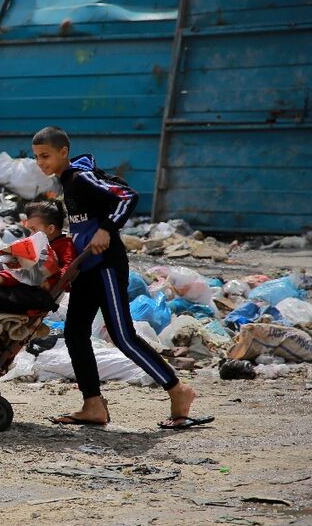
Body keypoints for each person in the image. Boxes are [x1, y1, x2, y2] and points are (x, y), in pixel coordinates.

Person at [31, 126, 213, 430]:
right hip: (87, 269)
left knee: (122, 335)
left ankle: (179, 391)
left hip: (105, 268)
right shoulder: (68, 184)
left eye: (45, 156)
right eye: (37, 157)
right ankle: (93, 405)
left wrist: (107, 228)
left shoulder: (79, 178)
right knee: (75, 334)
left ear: (64, 152)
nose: (40, 162)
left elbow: (127, 195)